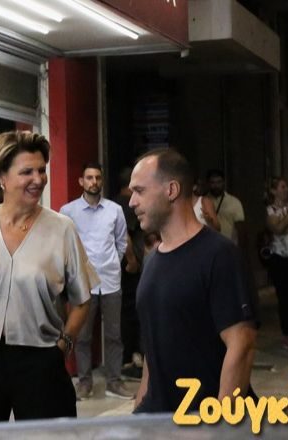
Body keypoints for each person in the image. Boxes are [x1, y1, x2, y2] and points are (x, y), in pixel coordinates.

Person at [0, 131, 97, 423]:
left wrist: (64, 344)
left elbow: (82, 300)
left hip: (41, 359)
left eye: (41, 170)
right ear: (2, 177)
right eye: (27, 172)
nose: (38, 179)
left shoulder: (62, 229)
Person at [128, 148, 258, 413]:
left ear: (171, 190)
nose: (131, 202)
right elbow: (153, 350)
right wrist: (140, 412)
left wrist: (220, 423)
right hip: (159, 418)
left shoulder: (220, 255)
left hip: (203, 418)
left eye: (139, 191)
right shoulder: (152, 260)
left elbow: (241, 345)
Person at [60, 163, 133, 400]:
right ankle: (84, 382)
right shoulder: (68, 211)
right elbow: (63, 244)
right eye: (89, 177)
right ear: (81, 181)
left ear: (102, 181)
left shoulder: (114, 210)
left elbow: (121, 242)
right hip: (83, 283)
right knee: (82, 336)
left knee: (114, 335)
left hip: (110, 280)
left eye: (98, 178)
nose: (94, 182)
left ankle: (114, 382)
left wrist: (113, 263)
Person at [113, 167, 144, 381]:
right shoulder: (128, 205)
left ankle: (128, 358)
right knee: (131, 312)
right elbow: (125, 237)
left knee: (125, 311)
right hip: (129, 267)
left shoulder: (113, 204)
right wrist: (133, 261)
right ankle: (129, 359)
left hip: (117, 268)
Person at [264, 177, 288, 348]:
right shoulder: (271, 210)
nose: (286, 190)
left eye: (286, 187)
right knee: (285, 297)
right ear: (274, 190)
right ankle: (287, 333)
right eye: (282, 187)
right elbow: (277, 228)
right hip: (280, 258)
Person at [206, 169, 245, 245]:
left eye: (219, 182)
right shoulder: (202, 201)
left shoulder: (234, 202)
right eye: (213, 182)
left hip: (228, 245)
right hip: (208, 245)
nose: (216, 186)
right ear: (208, 184)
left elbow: (241, 228)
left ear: (224, 182)